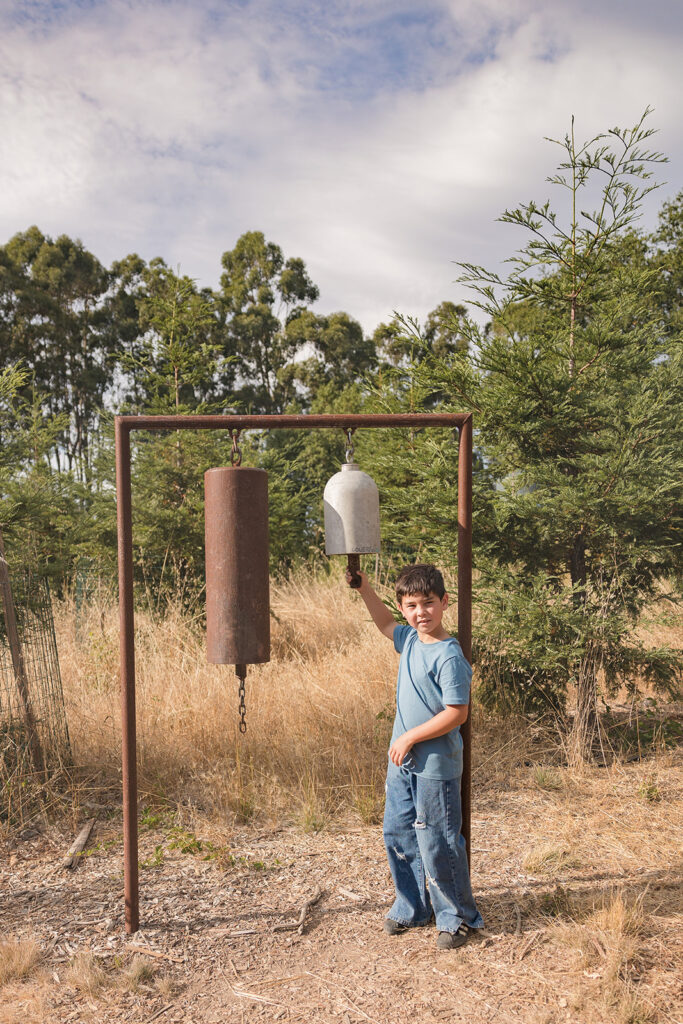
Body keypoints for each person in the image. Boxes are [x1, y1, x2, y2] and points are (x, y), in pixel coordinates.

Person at [346, 562, 483, 950]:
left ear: (444, 602)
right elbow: (384, 624)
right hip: (402, 765)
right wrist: (365, 590)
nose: (420, 612)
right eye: (411, 605)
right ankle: (413, 906)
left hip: (435, 765)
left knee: (438, 840)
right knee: (399, 833)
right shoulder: (407, 640)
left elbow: (458, 712)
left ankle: (456, 918)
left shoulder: (448, 654)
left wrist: (410, 737)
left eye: (428, 603)